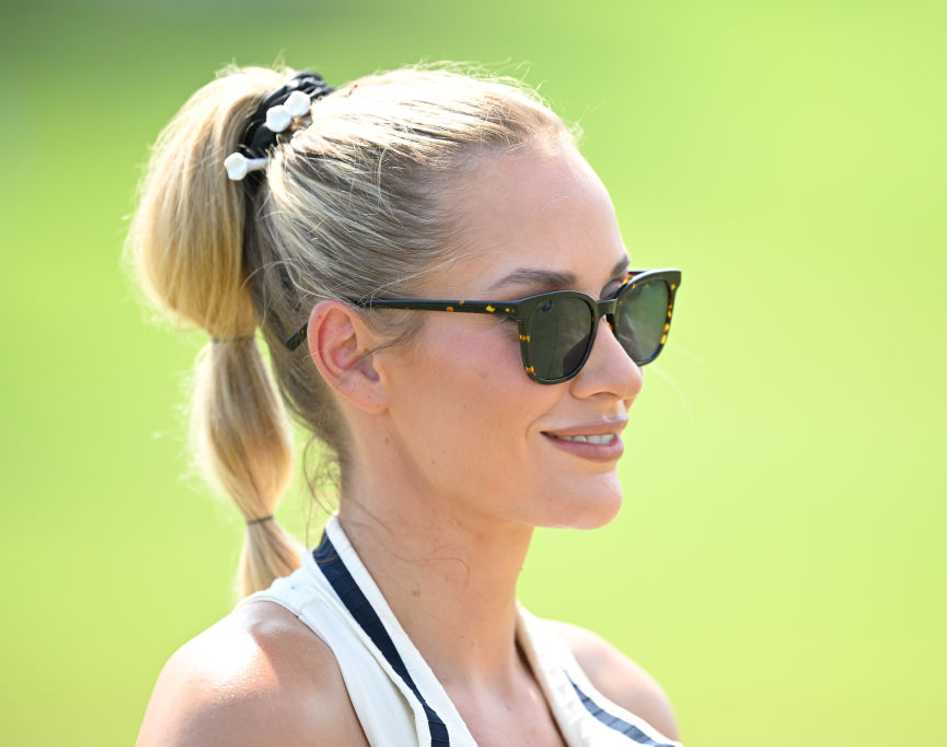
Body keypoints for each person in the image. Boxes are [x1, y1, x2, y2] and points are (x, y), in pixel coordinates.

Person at [128, 61, 684, 746]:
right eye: (548, 318)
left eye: (627, 303)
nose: (621, 372)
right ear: (354, 354)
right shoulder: (253, 712)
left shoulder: (626, 704)